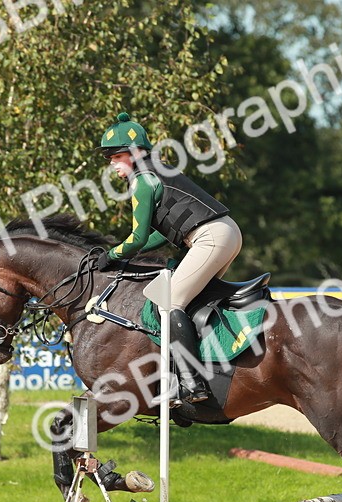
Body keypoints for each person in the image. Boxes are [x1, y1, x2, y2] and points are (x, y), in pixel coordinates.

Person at [95, 112, 242, 404]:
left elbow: (137, 238)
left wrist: (111, 254)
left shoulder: (142, 181)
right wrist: (125, 251)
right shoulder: (158, 170)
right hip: (226, 233)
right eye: (110, 158)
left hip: (210, 238)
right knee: (190, 304)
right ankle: (206, 372)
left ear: (135, 153)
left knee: (170, 303)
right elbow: (163, 235)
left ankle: (191, 384)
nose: (112, 164)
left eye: (116, 156)